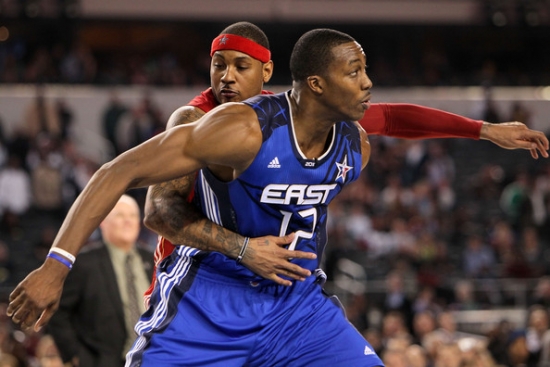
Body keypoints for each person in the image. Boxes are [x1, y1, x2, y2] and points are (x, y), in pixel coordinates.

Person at [6, 28, 549, 366]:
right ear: (314, 84)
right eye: (355, 72)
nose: (368, 84)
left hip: (296, 305)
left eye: (364, 70)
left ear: (266, 70)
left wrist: (485, 131)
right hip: (208, 296)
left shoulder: (352, 138)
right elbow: (120, 176)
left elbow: (401, 117)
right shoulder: (231, 128)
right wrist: (57, 264)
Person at [143, 20, 538, 303]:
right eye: (218, 65)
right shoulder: (194, 119)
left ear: (266, 73)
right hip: (196, 278)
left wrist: (485, 130)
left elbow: (392, 118)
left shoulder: (285, 114)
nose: (226, 77)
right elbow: (160, 210)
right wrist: (244, 248)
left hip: (269, 282)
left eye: (239, 67)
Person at [46, 195, 154, 367]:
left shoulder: (154, 259)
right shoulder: (83, 263)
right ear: (103, 222)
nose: (128, 221)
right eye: (120, 215)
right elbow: (57, 311)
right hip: (103, 361)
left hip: (152, 359)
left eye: (133, 216)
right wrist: (74, 354)